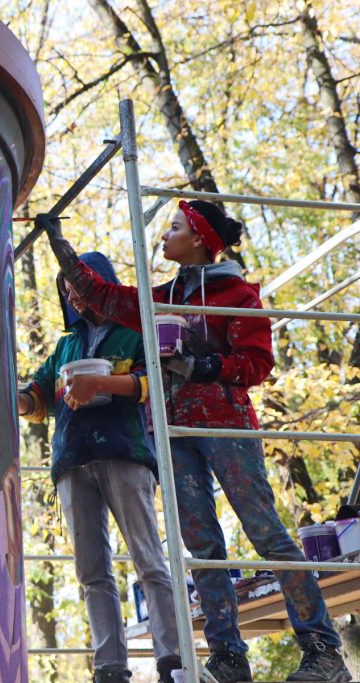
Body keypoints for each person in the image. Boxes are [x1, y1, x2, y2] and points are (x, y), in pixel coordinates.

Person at [39, 203, 353, 683]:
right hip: (174, 430)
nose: (165, 235)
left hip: (226, 425)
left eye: (175, 227)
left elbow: (257, 364)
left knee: (266, 532)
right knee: (201, 544)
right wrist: (60, 247)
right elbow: (104, 296)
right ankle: (228, 657)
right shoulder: (162, 297)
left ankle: (322, 649)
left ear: (201, 239)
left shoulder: (238, 294)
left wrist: (203, 366)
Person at [17, 252, 182, 683]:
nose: (73, 296)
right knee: (91, 572)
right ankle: (110, 666)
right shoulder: (65, 346)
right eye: (66, 289)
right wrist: (14, 398)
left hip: (125, 452)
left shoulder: (136, 330)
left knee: (149, 560)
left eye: (78, 285)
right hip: (72, 460)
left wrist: (101, 383)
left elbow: (153, 383)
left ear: (102, 281)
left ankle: (173, 660)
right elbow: (38, 398)